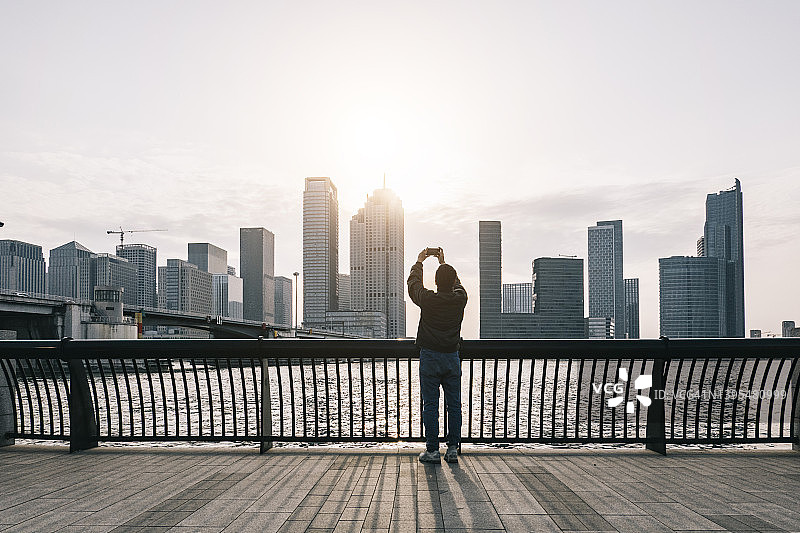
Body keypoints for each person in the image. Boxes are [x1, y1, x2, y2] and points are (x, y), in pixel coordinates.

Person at [407, 247, 468, 464]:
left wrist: (419, 261)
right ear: (452, 283)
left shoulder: (428, 299)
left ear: (435, 282)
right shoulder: (460, 299)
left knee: (430, 405)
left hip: (430, 357)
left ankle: (432, 451)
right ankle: (452, 449)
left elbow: (413, 286)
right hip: (452, 357)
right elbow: (458, 285)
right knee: (454, 405)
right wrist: (443, 263)